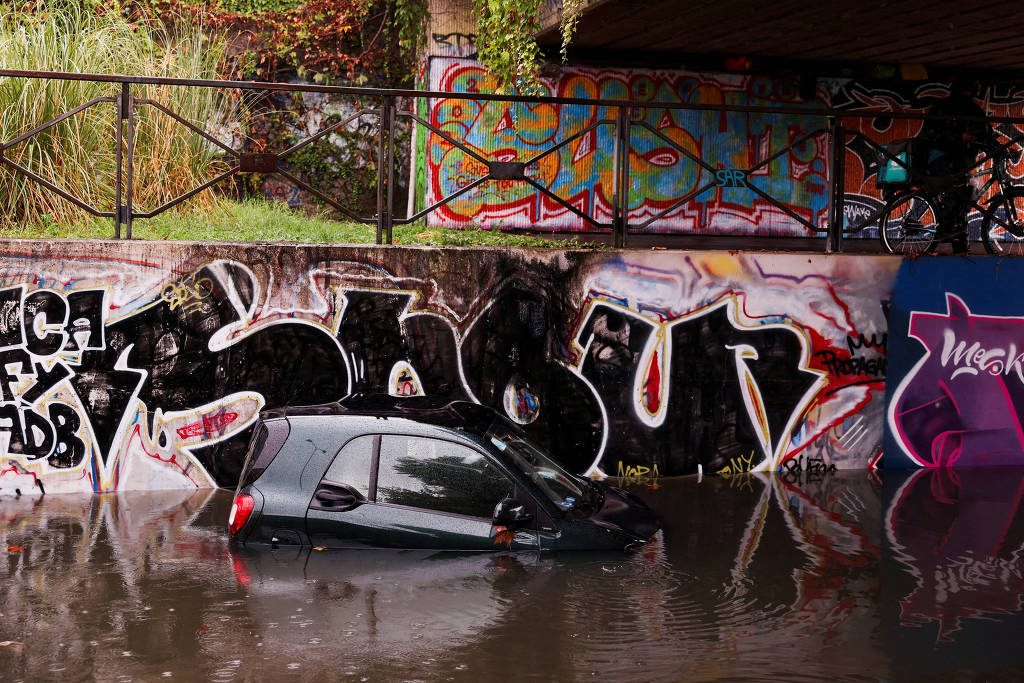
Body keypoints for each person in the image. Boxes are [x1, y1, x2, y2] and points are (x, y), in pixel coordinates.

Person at [914, 77, 998, 253]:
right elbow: (932, 132)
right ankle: (949, 232)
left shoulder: (971, 109)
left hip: (960, 160)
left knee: (964, 195)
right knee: (959, 192)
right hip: (941, 158)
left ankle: (956, 235)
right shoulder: (944, 108)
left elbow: (985, 132)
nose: (968, 97)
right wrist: (959, 136)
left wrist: (999, 148)